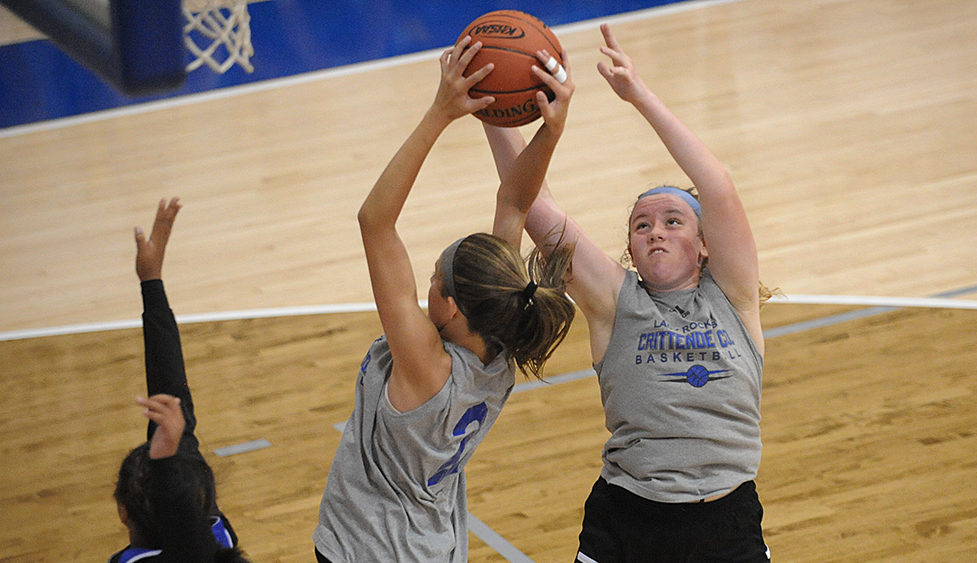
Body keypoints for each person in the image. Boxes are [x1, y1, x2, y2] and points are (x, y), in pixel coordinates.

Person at [484, 24, 772, 562]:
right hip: (630, 521)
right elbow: (535, 209)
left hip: (726, 523)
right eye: (642, 226)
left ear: (707, 244)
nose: (655, 231)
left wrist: (638, 94)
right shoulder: (615, 302)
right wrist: (492, 113)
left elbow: (718, 185)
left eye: (672, 221)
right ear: (631, 253)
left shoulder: (733, 296)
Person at [312, 37, 577, 562]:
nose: (424, 287)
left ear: (451, 306)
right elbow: (515, 199)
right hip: (432, 547)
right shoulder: (498, 344)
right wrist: (550, 129)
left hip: (370, 552)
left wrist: (440, 112)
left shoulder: (425, 366)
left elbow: (375, 222)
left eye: (433, 280)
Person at [110, 198, 249, 563]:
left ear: (123, 513)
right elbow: (172, 396)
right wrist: (152, 283)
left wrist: (151, 284)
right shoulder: (220, 539)